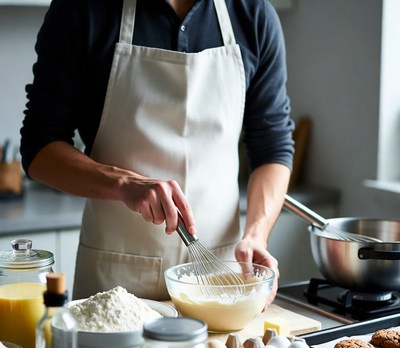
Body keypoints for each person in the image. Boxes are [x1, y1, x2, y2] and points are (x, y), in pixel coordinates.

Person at [20, 0, 294, 303]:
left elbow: (273, 146)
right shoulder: (82, 9)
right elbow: (39, 148)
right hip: (116, 281)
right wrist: (123, 183)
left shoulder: (253, 14)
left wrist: (257, 233)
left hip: (220, 274)